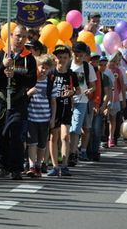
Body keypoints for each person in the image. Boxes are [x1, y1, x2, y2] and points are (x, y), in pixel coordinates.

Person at [0, 24, 37, 180]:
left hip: (18, 101)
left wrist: (14, 73)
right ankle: (2, 166)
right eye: (17, 36)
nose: (20, 39)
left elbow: (32, 80)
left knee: (16, 134)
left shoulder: (28, 58)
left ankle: (16, 168)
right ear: (11, 36)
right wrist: (3, 66)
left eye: (24, 36)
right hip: (1, 101)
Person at [48, 45, 79, 177]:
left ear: (69, 58)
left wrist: (71, 92)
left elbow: (78, 89)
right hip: (54, 108)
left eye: (65, 57)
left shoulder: (71, 74)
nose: (62, 60)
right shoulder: (51, 74)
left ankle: (65, 165)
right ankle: (55, 166)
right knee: (53, 137)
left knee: (65, 136)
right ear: (55, 59)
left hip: (66, 107)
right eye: (59, 57)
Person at [25, 55, 56, 177]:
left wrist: (52, 118)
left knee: (42, 144)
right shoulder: (32, 81)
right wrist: (29, 92)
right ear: (37, 67)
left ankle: (38, 164)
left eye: (47, 68)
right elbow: (24, 97)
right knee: (31, 143)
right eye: (42, 67)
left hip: (45, 118)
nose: (44, 70)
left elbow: (53, 102)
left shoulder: (50, 83)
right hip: (31, 117)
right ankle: (32, 166)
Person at [68, 42, 96, 165]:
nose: (78, 58)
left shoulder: (87, 67)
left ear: (85, 55)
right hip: (67, 100)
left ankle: (73, 153)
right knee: (66, 129)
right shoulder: (68, 64)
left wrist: (90, 90)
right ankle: (65, 152)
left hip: (82, 100)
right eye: (76, 55)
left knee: (75, 128)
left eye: (81, 55)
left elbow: (93, 85)